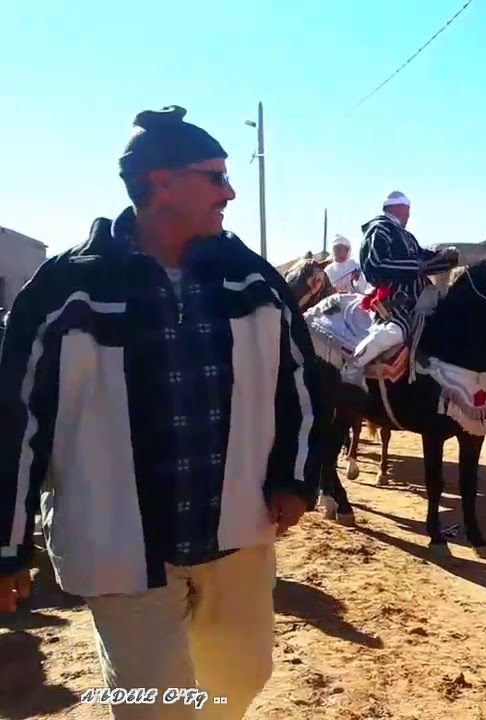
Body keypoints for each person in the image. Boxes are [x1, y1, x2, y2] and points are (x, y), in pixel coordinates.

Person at [0, 106, 325, 719]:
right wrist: (8, 544)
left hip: (237, 528)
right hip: (117, 539)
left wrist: (295, 476)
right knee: (154, 704)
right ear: (162, 182)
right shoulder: (65, 290)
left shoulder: (251, 280)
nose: (229, 192)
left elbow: (301, 383)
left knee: (240, 677)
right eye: (215, 176)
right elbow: (15, 421)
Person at [345, 192, 459, 383]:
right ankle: (352, 366)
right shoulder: (379, 229)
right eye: (408, 211)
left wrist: (444, 258)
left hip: (420, 299)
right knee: (394, 332)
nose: (409, 215)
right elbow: (374, 265)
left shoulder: (407, 236)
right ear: (398, 208)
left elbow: (424, 259)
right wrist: (417, 267)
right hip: (396, 300)